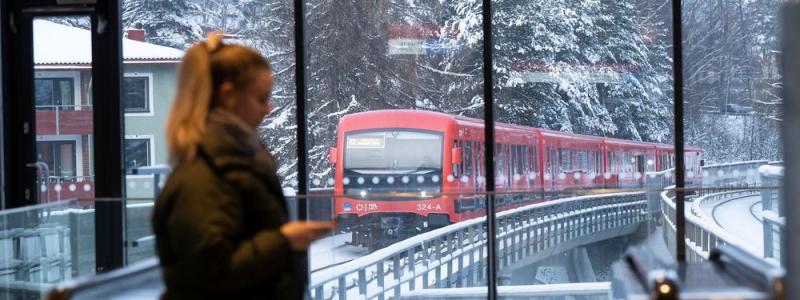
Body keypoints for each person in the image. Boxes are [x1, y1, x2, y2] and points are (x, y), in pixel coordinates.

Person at [152, 33, 333, 300]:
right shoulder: (204, 178)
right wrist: (284, 240)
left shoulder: (229, 163)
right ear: (228, 95)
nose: (268, 109)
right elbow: (211, 272)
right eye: (261, 98)